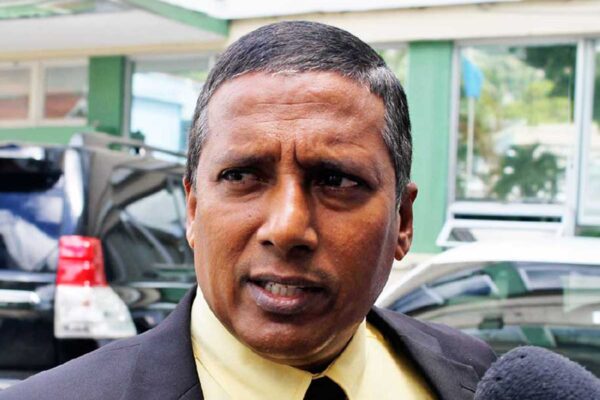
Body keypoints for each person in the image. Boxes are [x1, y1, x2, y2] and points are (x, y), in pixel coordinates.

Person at [1, 21, 495, 400]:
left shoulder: (476, 378)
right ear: (193, 209)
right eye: (241, 177)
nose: (287, 228)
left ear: (403, 222)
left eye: (336, 181)